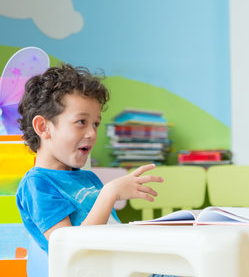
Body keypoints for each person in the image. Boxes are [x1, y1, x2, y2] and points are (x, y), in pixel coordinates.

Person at [16, 64, 164, 277]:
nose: (92, 133)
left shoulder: (87, 178)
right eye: (81, 122)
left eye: (95, 124)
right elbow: (72, 249)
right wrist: (109, 193)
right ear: (43, 127)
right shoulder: (37, 184)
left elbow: (110, 232)